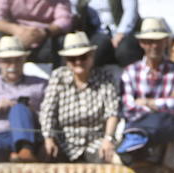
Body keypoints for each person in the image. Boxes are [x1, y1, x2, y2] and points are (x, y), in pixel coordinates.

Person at [116, 18, 174, 166]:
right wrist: (164, 104)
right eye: (149, 42)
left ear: (165, 42)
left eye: (158, 41)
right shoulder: (131, 71)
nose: (154, 46)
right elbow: (128, 108)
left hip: (164, 128)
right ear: (142, 44)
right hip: (146, 124)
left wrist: (146, 102)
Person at [40, 33, 120, 163]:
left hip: (96, 142)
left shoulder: (105, 78)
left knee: (110, 160)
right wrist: (49, 138)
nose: (78, 62)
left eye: (83, 57)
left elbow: (112, 112)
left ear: (91, 56)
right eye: (72, 58)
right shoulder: (58, 77)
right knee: (45, 155)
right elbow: (48, 111)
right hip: (64, 142)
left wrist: (108, 139)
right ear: (66, 60)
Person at [0, 36, 48, 162]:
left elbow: (52, 115)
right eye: (7, 61)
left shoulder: (40, 85)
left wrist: (32, 112)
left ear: (24, 60)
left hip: (33, 137)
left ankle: (25, 151)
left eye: (17, 60)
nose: (13, 65)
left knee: (20, 108)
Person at [0, 0, 74, 67]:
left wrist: (44, 32)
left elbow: (65, 20)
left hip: (44, 40)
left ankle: (59, 80)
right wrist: (18, 31)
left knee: (64, 42)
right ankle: (3, 80)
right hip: (15, 38)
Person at [74, 0, 142, 68]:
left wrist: (121, 33)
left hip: (123, 31)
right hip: (97, 33)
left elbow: (131, 11)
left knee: (125, 50)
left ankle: (131, 76)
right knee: (97, 49)